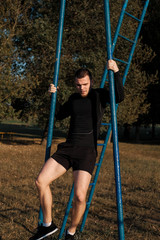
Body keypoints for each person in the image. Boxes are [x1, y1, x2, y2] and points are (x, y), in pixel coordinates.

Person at [29, 60, 124, 240]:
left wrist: (116, 71)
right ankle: (47, 225)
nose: (81, 88)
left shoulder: (99, 95)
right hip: (67, 149)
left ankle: (71, 232)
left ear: (91, 82)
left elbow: (118, 97)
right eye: (78, 85)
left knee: (80, 197)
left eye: (85, 84)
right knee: (41, 181)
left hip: (86, 152)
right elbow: (58, 115)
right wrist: (53, 96)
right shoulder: (73, 99)